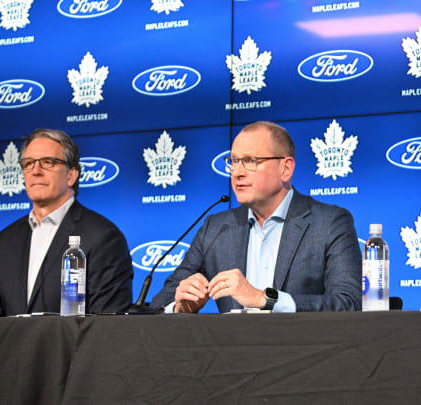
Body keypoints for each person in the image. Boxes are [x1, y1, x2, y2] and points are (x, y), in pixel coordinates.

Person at [150, 121, 361, 313]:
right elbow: (159, 305)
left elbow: (347, 303)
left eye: (251, 160)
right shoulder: (217, 228)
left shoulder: (329, 222)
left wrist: (264, 299)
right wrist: (179, 307)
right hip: (230, 352)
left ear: (285, 169)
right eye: (233, 161)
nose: (237, 172)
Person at [0, 129, 134, 316]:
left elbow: (106, 325)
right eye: (28, 164)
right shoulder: (3, 241)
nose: (35, 171)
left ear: (71, 175)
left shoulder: (103, 237)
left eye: (47, 162)